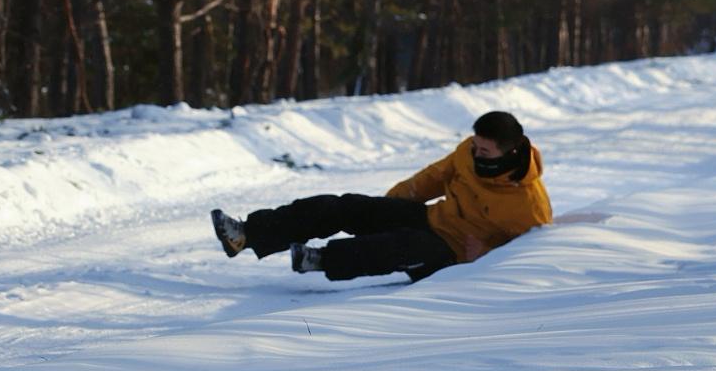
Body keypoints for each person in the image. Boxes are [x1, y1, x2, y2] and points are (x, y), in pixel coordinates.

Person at [211, 109, 553, 287]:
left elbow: (527, 258)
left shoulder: (529, 206)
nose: (476, 154)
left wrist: (487, 257)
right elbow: (433, 177)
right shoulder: (468, 151)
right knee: (346, 205)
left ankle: (321, 259)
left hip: (452, 255)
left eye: (485, 151)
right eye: (475, 146)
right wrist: (388, 206)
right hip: (434, 219)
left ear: (509, 152)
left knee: (400, 244)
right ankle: (248, 234)